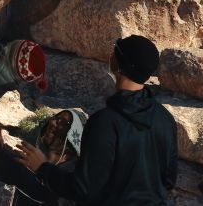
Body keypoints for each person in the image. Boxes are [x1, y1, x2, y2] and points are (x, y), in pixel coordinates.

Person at [16, 35, 178, 205]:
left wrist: (43, 168)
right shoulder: (165, 120)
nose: (111, 56)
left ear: (118, 64)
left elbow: (83, 189)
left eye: (115, 52)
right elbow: (168, 181)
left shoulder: (105, 123)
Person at [0, 109, 86, 206]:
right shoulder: (34, 162)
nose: (52, 123)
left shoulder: (73, 175)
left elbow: (46, 194)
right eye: (55, 118)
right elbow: (9, 165)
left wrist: (42, 168)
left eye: (63, 123)